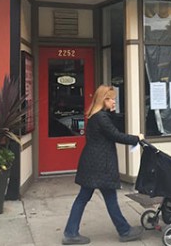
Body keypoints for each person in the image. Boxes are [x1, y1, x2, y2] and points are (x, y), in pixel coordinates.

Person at [62, 85, 145, 245]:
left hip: (93, 163)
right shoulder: (101, 118)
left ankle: (71, 232)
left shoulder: (96, 116)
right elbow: (115, 135)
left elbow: (110, 133)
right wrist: (137, 138)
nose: (114, 102)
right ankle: (124, 231)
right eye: (112, 99)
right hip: (100, 165)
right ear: (104, 100)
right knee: (106, 198)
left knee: (87, 197)